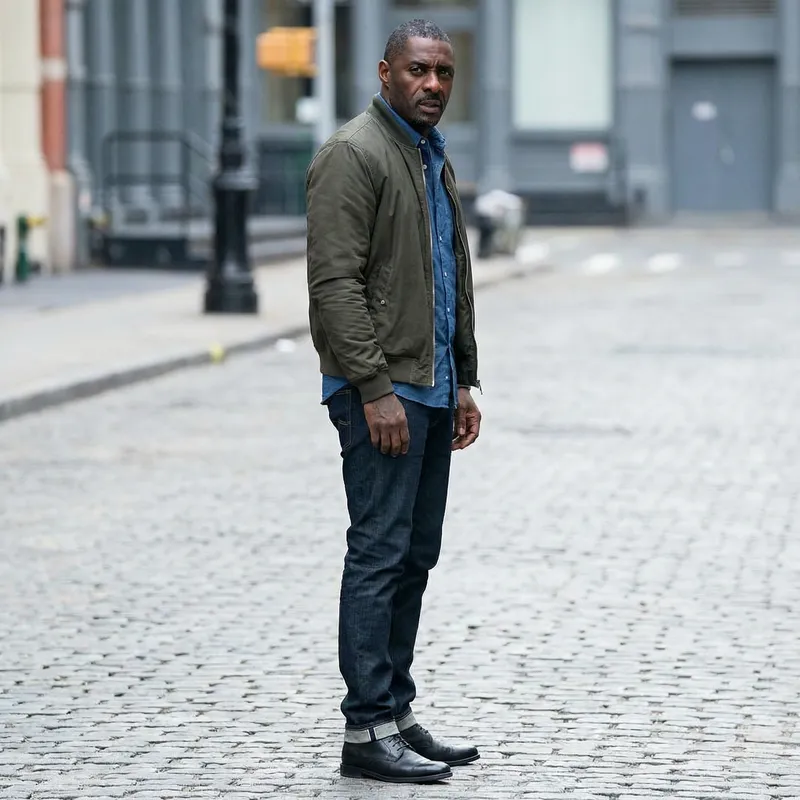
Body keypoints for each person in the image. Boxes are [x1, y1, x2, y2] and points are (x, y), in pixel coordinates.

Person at [306, 18, 482, 785]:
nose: (433, 84)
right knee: (378, 553)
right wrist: (374, 390)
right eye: (418, 70)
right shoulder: (354, 153)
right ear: (385, 73)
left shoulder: (428, 154)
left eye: (443, 72)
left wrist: (464, 379)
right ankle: (366, 727)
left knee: (415, 554)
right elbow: (334, 285)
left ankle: (397, 713)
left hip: (432, 386)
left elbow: (448, 276)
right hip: (382, 392)